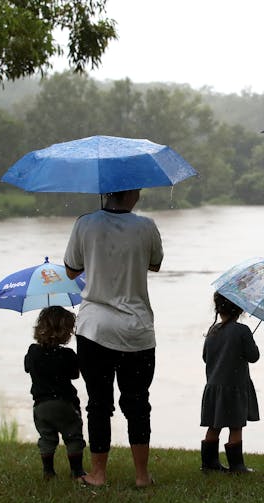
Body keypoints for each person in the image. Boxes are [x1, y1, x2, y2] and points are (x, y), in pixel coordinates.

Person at [63, 188, 163, 488]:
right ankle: (142, 476)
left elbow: (70, 270)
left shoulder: (84, 223)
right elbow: (155, 264)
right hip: (138, 331)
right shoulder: (147, 227)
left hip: (95, 329)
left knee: (98, 403)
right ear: (130, 192)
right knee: (137, 402)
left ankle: (98, 474)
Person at [200, 292, 260, 474]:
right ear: (240, 310)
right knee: (236, 425)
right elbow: (254, 356)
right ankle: (237, 466)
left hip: (214, 387)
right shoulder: (242, 331)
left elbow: (205, 357)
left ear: (218, 309)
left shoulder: (212, 331)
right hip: (235, 387)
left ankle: (209, 464)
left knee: (214, 424)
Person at [24, 306, 87, 480]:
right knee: (73, 436)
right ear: (65, 332)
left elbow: (27, 367)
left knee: (47, 438)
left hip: (41, 406)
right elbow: (75, 374)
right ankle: (77, 471)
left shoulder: (33, 351)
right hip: (64, 403)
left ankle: (48, 472)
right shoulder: (67, 354)